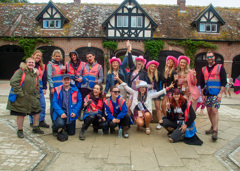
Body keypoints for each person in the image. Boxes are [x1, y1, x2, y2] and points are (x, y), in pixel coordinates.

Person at [7, 58, 44, 138]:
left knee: (37, 111)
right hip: (21, 97)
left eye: (32, 62)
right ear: (26, 63)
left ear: (34, 64)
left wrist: (37, 94)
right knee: (21, 114)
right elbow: (13, 82)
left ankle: (35, 127)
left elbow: (37, 85)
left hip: (32, 97)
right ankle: (20, 130)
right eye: (29, 62)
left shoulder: (35, 73)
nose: (31, 64)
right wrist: (20, 93)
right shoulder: (20, 71)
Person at [200, 52, 227, 141]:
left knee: (214, 111)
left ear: (214, 57)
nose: (209, 58)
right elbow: (202, 83)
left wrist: (220, 93)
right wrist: (202, 95)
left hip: (216, 93)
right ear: (206, 58)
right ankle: (212, 126)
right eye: (208, 57)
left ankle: (215, 130)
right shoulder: (203, 69)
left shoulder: (220, 67)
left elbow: (224, 82)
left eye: (211, 56)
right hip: (207, 93)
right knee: (209, 110)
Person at [127, 43, 150, 116]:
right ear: (136, 62)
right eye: (138, 61)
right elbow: (130, 59)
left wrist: (142, 81)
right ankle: (128, 122)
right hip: (132, 91)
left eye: (141, 61)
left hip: (139, 92)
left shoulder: (144, 73)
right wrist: (129, 49)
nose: (139, 62)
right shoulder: (132, 68)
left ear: (143, 63)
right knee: (128, 106)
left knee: (138, 107)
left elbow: (147, 83)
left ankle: (138, 121)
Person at [28, 50, 49, 128]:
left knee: (42, 105)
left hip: (39, 89)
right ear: (33, 55)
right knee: (31, 106)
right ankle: (31, 121)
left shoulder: (42, 66)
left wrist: (44, 88)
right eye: (37, 55)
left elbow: (44, 78)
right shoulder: (29, 65)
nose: (38, 57)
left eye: (39, 56)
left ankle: (41, 121)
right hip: (31, 89)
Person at [146, 60, 165, 130]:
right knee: (147, 106)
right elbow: (144, 83)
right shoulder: (146, 74)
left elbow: (164, 80)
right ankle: (147, 122)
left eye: (154, 66)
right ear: (149, 66)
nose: (153, 67)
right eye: (152, 66)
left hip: (156, 92)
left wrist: (166, 73)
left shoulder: (158, 74)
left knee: (157, 107)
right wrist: (148, 86)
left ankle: (160, 122)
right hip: (148, 93)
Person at [47, 50, 64, 122]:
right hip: (54, 88)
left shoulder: (61, 65)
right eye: (56, 56)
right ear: (53, 56)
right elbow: (49, 77)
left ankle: (59, 119)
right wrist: (51, 87)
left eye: (58, 56)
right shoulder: (50, 64)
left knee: (60, 103)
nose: (57, 57)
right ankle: (53, 120)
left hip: (61, 87)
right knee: (53, 104)